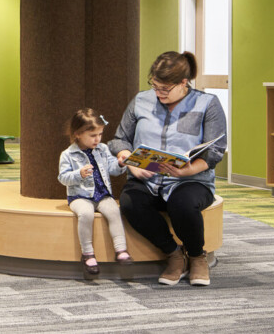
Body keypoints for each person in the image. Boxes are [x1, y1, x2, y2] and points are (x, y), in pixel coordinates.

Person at [111, 51, 226, 287]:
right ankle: (174, 254)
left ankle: (196, 256)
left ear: (183, 83)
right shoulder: (141, 101)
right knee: (131, 203)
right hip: (147, 179)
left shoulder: (207, 103)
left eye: (165, 88)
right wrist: (130, 162)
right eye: (155, 87)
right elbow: (120, 140)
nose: (159, 93)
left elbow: (215, 151)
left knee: (182, 204)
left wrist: (186, 172)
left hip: (192, 180)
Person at [59, 108, 131, 276]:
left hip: (102, 193)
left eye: (100, 134)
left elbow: (112, 168)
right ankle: (88, 253)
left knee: (114, 211)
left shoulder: (103, 149)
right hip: (79, 196)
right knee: (86, 214)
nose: (97, 139)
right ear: (77, 134)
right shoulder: (68, 155)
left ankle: (121, 250)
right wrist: (79, 174)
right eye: (93, 136)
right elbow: (63, 178)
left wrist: (120, 164)